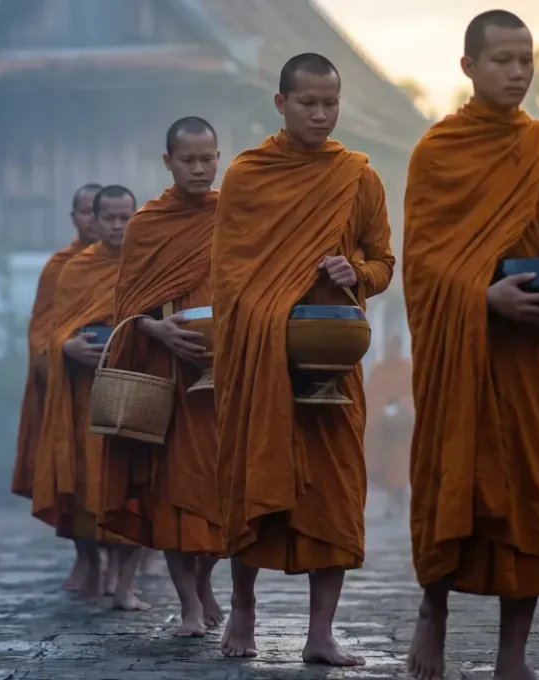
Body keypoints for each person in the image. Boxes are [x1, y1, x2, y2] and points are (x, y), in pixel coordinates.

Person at [400, 11, 539, 680]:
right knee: (452, 476)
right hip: (464, 354)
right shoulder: (437, 152)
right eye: (502, 60)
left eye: (526, 60)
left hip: (533, 353)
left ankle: (515, 654)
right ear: (468, 67)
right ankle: (434, 612)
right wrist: (483, 296)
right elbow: (420, 264)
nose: (517, 72)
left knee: (534, 490)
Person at [211, 52, 395, 665]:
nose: (321, 114)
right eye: (309, 103)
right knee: (253, 474)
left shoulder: (357, 176)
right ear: (281, 103)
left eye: (331, 103)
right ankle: (243, 611)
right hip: (262, 357)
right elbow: (231, 275)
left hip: (332, 357)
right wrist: (271, 315)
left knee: (336, 490)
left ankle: (321, 634)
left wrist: (357, 271)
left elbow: (384, 263)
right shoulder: (247, 175)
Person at [99, 116, 225, 637]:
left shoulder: (235, 216)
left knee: (222, 492)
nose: (199, 168)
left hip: (228, 376)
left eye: (208, 158)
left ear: (219, 158)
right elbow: (127, 308)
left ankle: (207, 584)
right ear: (168, 162)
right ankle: (189, 606)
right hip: (170, 377)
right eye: (188, 159)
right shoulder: (148, 225)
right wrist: (159, 332)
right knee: (175, 494)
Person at [33, 185, 148, 608]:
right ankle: (94, 564)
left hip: (133, 386)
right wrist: (67, 348)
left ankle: (125, 582)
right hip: (84, 393)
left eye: (126, 217)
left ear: (137, 218)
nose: (118, 226)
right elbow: (57, 329)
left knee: (133, 482)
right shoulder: (76, 269)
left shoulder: (147, 263)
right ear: (93, 222)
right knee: (87, 482)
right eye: (109, 218)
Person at [13, 183, 102, 593]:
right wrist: (66, 348)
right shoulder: (60, 266)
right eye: (84, 212)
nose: (93, 220)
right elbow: (40, 330)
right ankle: (86, 559)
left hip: (123, 380)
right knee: (77, 473)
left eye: (98, 212)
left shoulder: (134, 260)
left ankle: (126, 567)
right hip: (72, 385)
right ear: (74, 218)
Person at [364, 333, 413, 519]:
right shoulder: (379, 369)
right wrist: (380, 410)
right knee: (383, 468)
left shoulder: (407, 369)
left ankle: (398, 502)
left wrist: (401, 405)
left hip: (401, 430)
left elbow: (412, 393)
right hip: (382, 430)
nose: (392, 350)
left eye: (395, 346)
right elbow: (371, 395)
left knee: (399, 468)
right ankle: (393, 501)